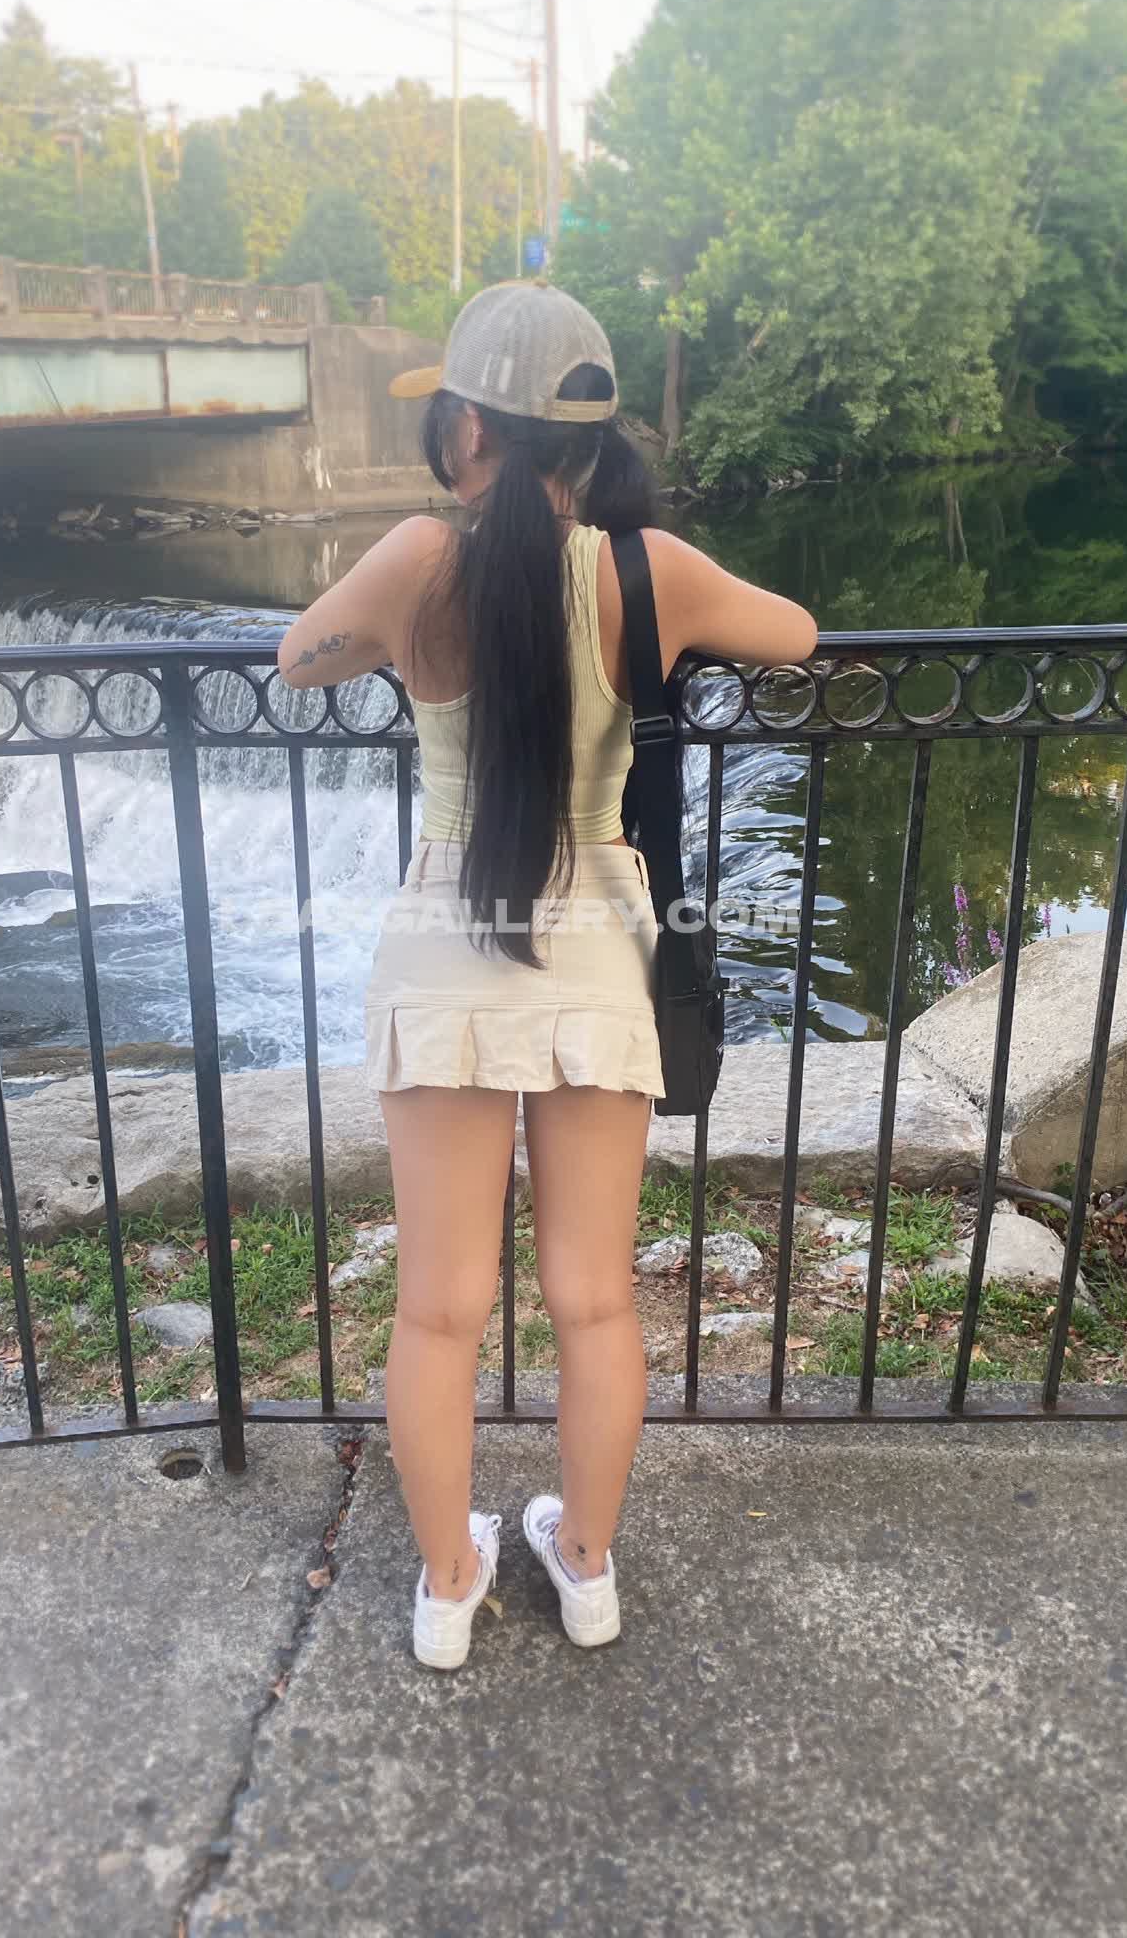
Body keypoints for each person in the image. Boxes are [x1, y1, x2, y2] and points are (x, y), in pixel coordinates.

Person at [277, 281, 816, 1668]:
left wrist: (386, 626)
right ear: (589, 439)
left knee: (439, 1306)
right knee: (594, 1297)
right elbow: (798, 635)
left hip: (446, 938)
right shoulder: (650, 570)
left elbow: (299, 661)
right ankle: (584, 1569)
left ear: (467, 430)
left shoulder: (418, 558)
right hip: (595, 942)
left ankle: (449, 1585)